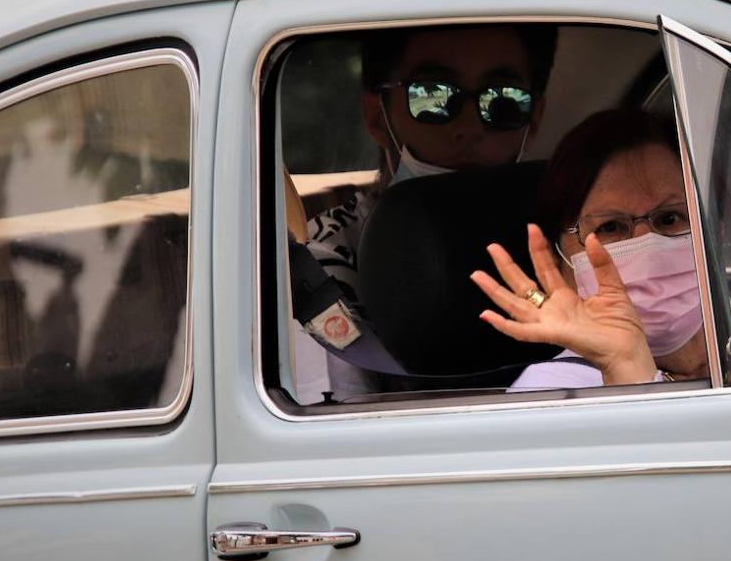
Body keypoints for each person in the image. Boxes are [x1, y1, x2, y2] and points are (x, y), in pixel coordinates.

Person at [287, 23, 555, 400]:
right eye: (432, 95)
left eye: (503, 100)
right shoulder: (315, 274)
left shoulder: (576, 242)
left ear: (536, 117)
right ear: (378, 117)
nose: (469, 126)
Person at [469, 109, 709, 389]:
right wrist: (626, 368)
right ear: (556, 258)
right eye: (609, 227)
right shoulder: (551, 391)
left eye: (669, 219)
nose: (649, 252)